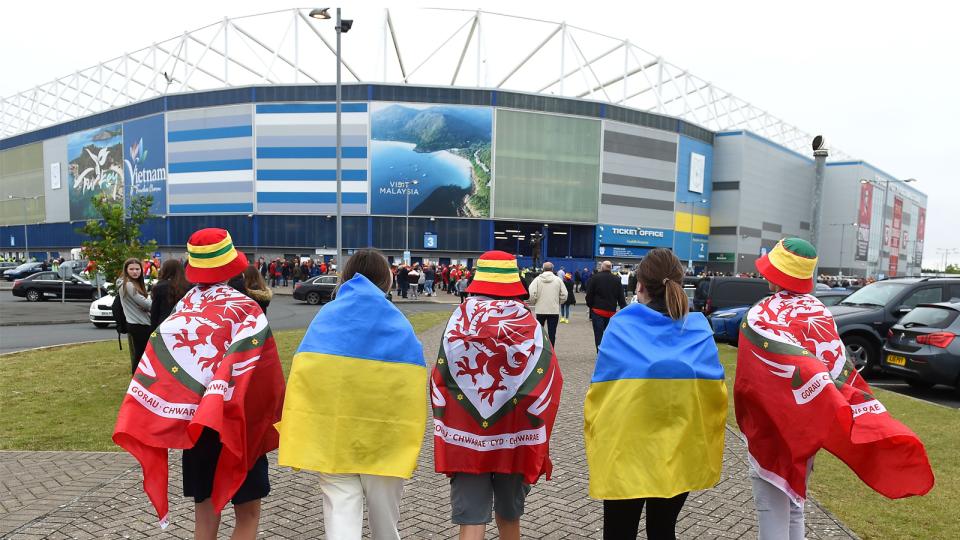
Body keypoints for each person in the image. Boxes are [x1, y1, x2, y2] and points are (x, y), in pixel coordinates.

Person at [736, 238, 934, 540]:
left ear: (775, 272)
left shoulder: (762, 313)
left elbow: (753, 374)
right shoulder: (819, 309)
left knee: (770, 505)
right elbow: (834, 361)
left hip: (773, 425)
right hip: (812, 420)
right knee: (796, 501)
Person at [113, 228, 286, 538]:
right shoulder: (247, 310)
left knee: (205, 515)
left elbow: (157, 370)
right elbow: (265, 375)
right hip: (238, 424)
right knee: (247, 514)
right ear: (232, 264)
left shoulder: (180, 313)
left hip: (197, 430)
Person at [278, 248, 426, 540]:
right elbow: (411, 386)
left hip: (334, 437)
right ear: (386, 281)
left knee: (341, 520)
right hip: (385, 441)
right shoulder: (398, 324)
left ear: (344, 277)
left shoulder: (327, 316)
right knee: (386, 523)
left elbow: (304, 376)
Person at [584, 248, 728, 540]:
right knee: (663, 531)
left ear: (639, 285)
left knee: (619, 533)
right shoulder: (699, 330)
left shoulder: (621, 326)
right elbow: (716, 395)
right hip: (678, 451)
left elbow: (601, 392)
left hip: (626, 451)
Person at [431, 250, 563, 540]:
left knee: (472, 521)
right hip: (514, 438)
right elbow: (550, 379)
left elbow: (441, 378)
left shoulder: (459, 320)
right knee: (509, 517)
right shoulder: (528, 323)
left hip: (465, 435)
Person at [118, 258, 153, 375]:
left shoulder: (135, 283)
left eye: (137, 269)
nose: (135, 272)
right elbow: (148, 304)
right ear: (126, 270)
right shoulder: (128, 284)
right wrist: (149, 304)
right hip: (139, 325)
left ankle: (139, 380)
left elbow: (145, 304)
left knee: (141, 354)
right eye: (131, 269)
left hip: (139, 323)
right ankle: (137, 380)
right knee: (141, 354)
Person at [585, 261, 627, 350]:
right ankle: (608, 352)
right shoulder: (617, 279)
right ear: (610, 268)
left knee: (598, 335)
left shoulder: (595, 278)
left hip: (597, 311)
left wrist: (591, 306)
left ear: (602, 267)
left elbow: (589, 295)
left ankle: (599, 352)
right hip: (611, 312)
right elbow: (621, 298)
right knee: (609, 335)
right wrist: (624, 310)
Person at [528, 261, 567, 345]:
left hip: (540, 310)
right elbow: (564, 294)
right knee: (552, 333)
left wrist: (534, 302)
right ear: (552, 269)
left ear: (543, 269)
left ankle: (540, 350)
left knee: (539, 333)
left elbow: (531, 293)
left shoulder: (537, 280)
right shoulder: (558, 280)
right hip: (553, 310)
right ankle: (551, 351)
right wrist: (558, 302)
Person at [149, 259, 191, 331]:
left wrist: (153, 330)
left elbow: (155, 312)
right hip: (183, 323)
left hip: (164, 324)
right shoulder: (189, 286)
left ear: (164, 270)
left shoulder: (159, 287)